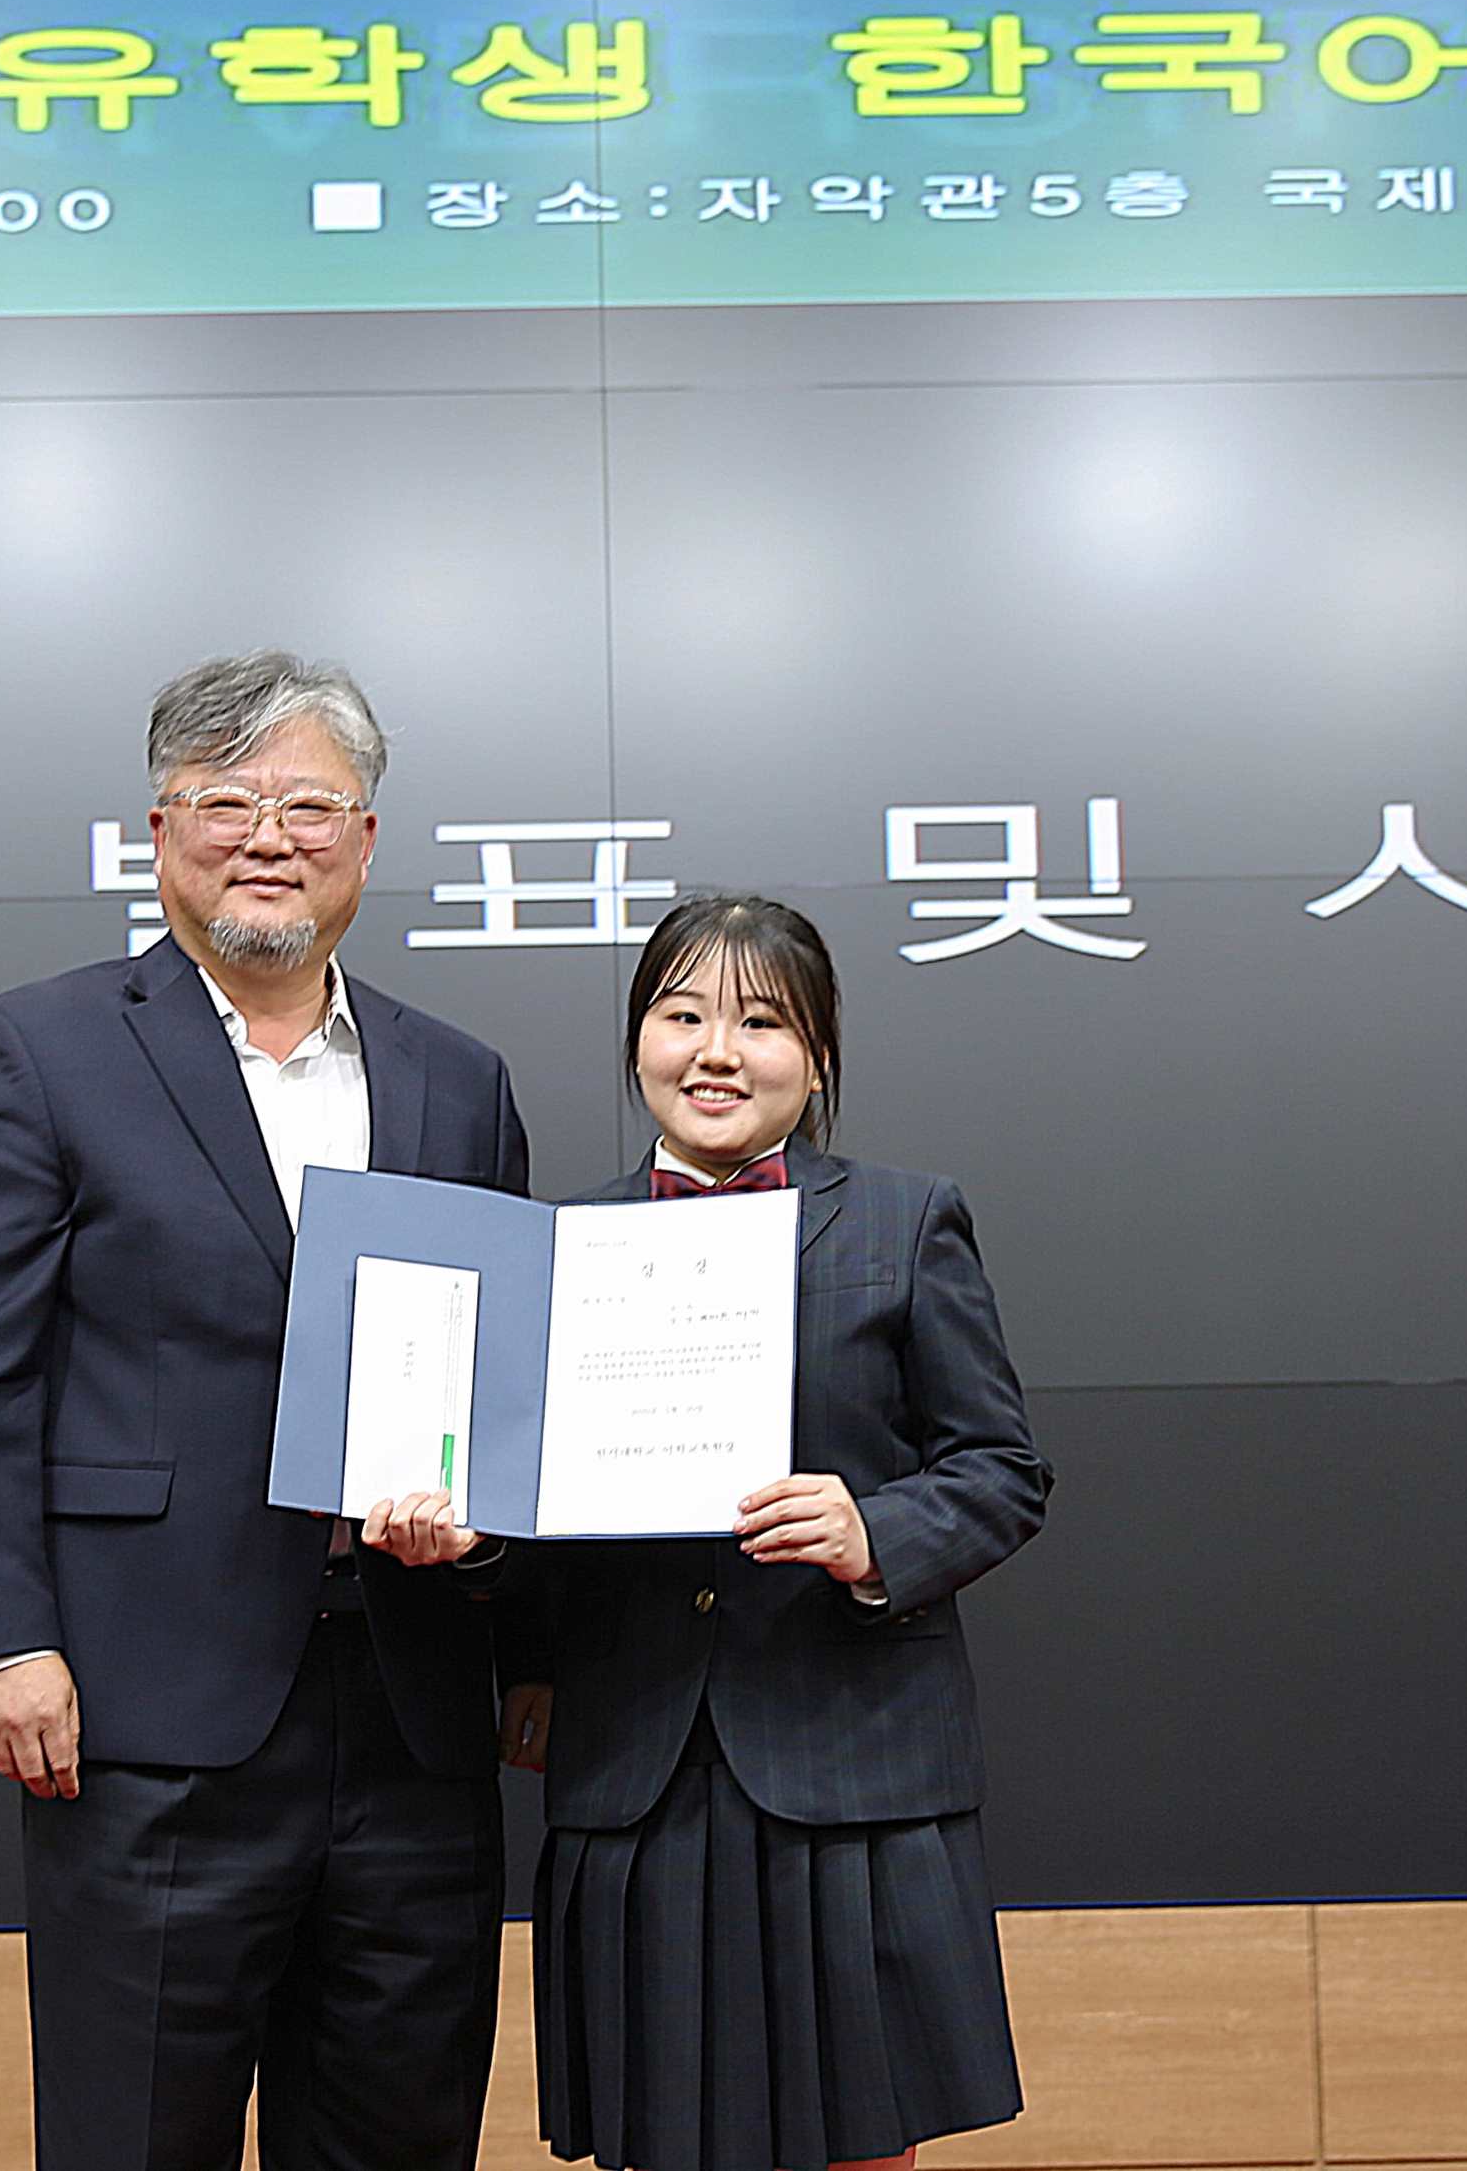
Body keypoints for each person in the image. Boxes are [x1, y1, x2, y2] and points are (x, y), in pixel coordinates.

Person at [0, 650, 533, 2171]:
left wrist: (516, 1606)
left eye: (310, 803)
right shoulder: (44, 1047)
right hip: (146, 1714)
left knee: (399, 2141)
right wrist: (1, 1633)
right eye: (225, 800)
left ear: (366, 838)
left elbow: (508, 1378)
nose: (269, 835)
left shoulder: (459, 1077)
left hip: (413, 1722)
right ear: (160, 830)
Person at [524, 892, 1053, 2171]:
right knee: (664, 2141)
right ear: (638, 1040)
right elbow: (526, 1507)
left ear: (817, 1058)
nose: (717, 1050)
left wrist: (875, 1527)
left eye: (762, 1021)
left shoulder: (905, 1221)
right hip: (641, 1770)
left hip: (849, 1764)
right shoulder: (559, 1249)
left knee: (864, 2141)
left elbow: (1001, 1469)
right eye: (682, 1013)